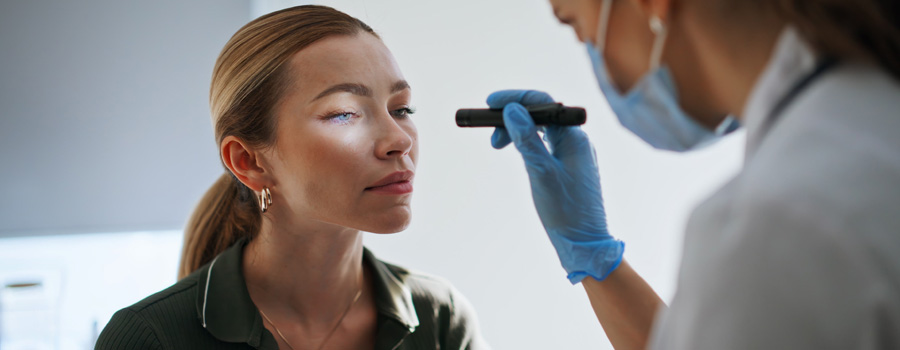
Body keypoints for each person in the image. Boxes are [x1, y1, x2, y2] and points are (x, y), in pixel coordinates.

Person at [487, 0, 900, 348]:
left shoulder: (775, 222)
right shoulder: (871, 116)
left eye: (578, 28)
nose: (598, 63)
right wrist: (597, 260)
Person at [96, 5, 487, 350]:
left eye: (401, 109)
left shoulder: (440, 320)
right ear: (248, 161)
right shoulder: (151, 338)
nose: (399, 140)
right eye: (344, 113)